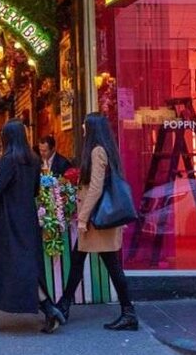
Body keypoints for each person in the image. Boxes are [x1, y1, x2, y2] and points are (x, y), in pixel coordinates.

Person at [0, 119, 66, 334]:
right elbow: (34, 190)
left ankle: (48, 310)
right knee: (24, 264)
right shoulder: (33, 160)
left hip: (6, 219)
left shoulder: (9, 160)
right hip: (27, 217)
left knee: (0, 264)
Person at [56, 113, 138, 331]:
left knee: (111, 266)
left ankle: (128, 312)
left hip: (96, 220)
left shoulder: (97, 150)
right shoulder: (106, 149)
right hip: (98, 220)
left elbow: (96, 187)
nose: (82, 128)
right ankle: (63, 306)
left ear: (91, 128)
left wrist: (82, 218)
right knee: (78, 260)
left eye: (84, 125)